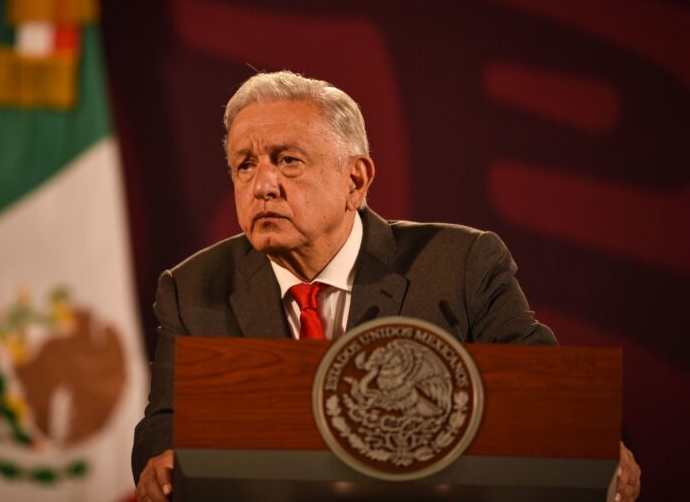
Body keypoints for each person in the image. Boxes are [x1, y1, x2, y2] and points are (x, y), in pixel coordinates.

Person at [132, 71, 640, 502]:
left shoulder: (459, 264)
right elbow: (165, 422)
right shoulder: (192, 288)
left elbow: (544, 389)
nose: (262, 184)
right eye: (245, 165)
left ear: (356, 180)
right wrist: (160, 460)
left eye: (288, 160)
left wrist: (588, 442)